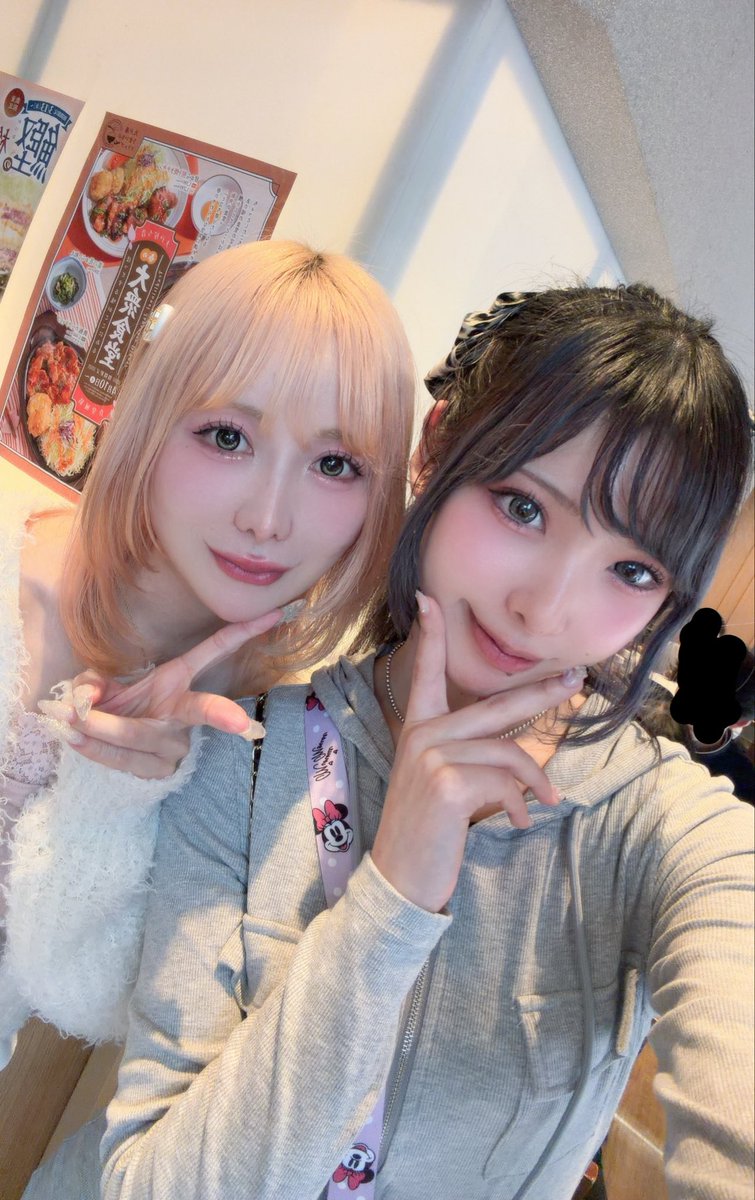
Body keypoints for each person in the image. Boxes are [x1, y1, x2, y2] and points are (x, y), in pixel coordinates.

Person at [34, 283, 753, 1200]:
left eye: (631, 570)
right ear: (436, 446)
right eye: (522, 508)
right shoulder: (241, 753)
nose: (544, 609)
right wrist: (394, 895)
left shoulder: (664, 829)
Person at [0, 238, 415, 1074]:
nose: (267, 518)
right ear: (151, 414)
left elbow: (80, 999)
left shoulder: (263, 744)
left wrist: (114, 791)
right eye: (227, 436)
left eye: (334, 464)